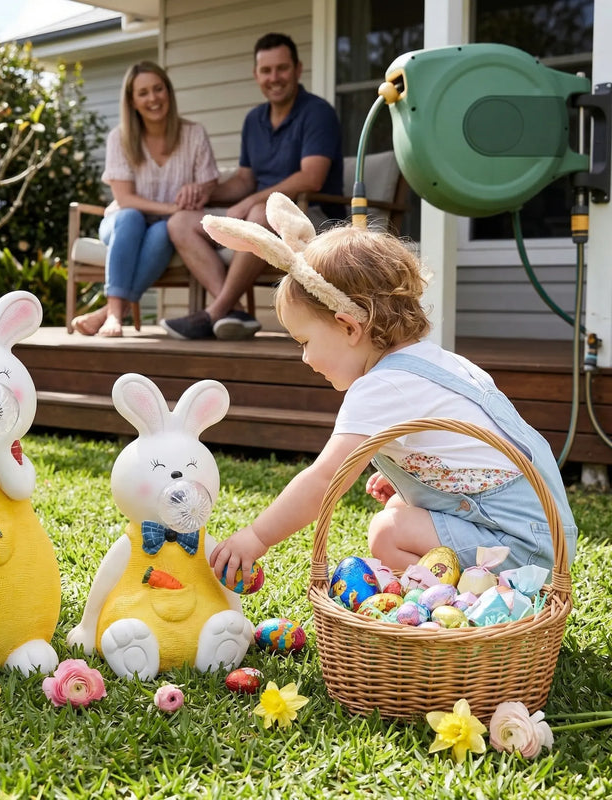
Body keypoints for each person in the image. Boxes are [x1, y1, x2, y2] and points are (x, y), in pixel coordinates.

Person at [202, 194, 577, 586]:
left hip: (521, 551)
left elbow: (324, 479)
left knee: (387, 532)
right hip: (541, 534)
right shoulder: (435, 362)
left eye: (305, 341)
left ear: (349, 327)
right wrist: (421, 477)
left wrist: (256, 536)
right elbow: (465, 447)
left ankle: (441, 611)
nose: (305, 358)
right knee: (400, 504)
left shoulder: (379, 387)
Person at [159, 32, 343, 341]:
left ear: (297, 70)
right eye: (266, 71)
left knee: (261, 213)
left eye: (281, 69)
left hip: (315, 216)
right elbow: (245, 178)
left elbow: (311, 177)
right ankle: (235, 313)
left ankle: (213, 314)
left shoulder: (317, 113)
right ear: (256, 75)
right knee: (180, 222)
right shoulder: (253, 120)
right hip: (262, 216)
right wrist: (207, 192)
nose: (275, 78)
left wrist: (252, 202)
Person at [71, 61, 219, 337]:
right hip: (121, 223)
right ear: (132, 101)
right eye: (143, 93)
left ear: (168, 92)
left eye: (158, 89)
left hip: (165, 229)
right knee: (130, 217)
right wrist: (173, 207)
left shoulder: (194, 134)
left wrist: (199, 190)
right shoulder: (120, 138)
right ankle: (115, 313)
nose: (153, 98)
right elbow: (124, 199)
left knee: (165, 230)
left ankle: (109, 312)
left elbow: (209, 181)